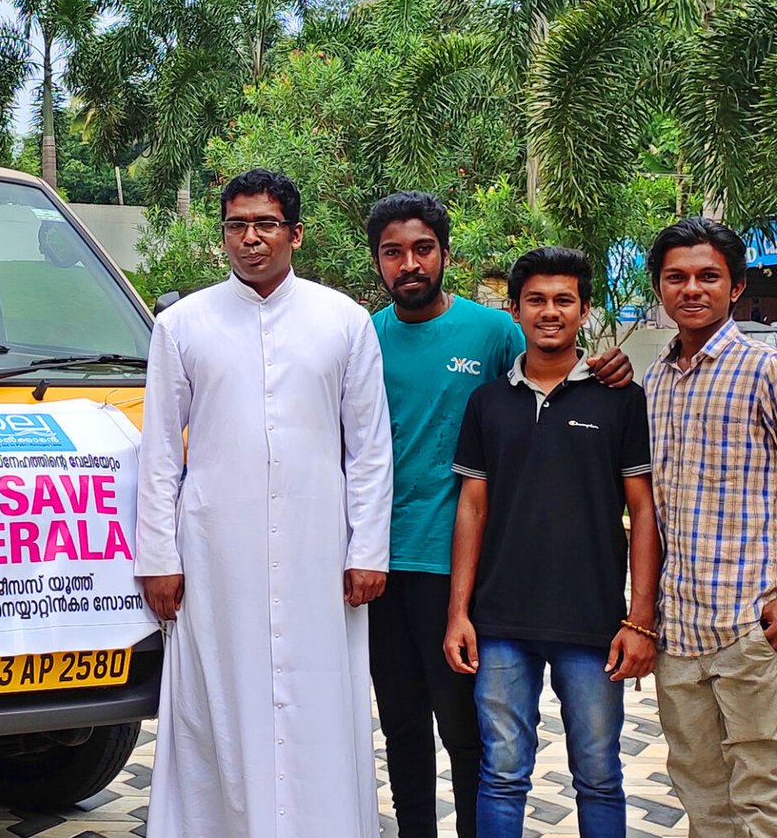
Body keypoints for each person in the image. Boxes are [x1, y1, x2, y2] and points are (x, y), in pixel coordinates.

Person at [365, 192, 633, 838]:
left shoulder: (491, 333)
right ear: (377, 262)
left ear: (445, 255)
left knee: (470, 735)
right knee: (400, 724)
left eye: (422, 249)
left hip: (461, 570)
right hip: (376, 563)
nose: (409, 264)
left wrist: (608, 367)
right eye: (393, 252)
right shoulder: (363, 336)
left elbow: (546, 373)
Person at [136, 169, 393, 837]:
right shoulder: (182, 325)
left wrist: (368, 549)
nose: (250, 239)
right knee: (218, 701)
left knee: (319, 704)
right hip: (217, 556)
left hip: (319, 554)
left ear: (295, 233)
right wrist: (157, 555)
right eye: (236, 225)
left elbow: (368, 448)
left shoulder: (344, 320)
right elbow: (161, 451)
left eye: (266, 224)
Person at [442, 247, 660, 838]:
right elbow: (473, 508)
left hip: (592, 626)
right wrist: (459, 613)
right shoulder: (488, 402)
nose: (549, 312)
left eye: (564, 300)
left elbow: (642, 510)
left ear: (584, 309)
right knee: (503, 774)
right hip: (501, 621)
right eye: (535, 300)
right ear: (514, 309)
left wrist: (639, 618)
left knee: (598, 774)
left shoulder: (620, 399)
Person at [641, 218, 777, 837]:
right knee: (700, 792)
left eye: (707, 276)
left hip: (752, 626)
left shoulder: (763, 370)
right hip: (679, 630)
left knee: (764, 792)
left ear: (736, 286)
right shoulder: (654, 381)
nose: (691, 289)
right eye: (676, 277)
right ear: (660, 288)